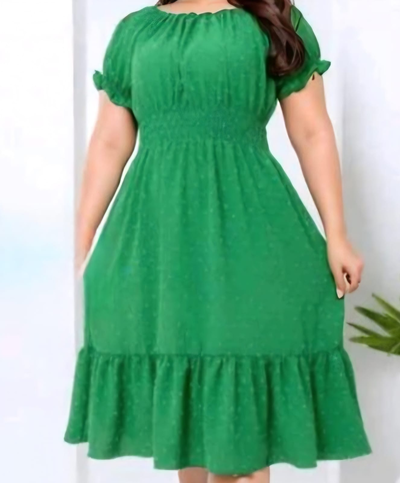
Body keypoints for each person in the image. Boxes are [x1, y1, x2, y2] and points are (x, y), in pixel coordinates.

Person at [64, 1, 371, 482]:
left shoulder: (275, 18)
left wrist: (338, 235)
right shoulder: (135, 31)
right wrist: (81, 246)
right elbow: (109, 143)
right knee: (189, 420)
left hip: (250, 235)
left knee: (241, 427)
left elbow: (312, 131)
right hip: (159, 241)